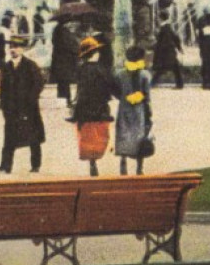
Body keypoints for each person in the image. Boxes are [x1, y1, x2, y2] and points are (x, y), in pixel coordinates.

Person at [71, 37, 122, 176]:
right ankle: (96, 157)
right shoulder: (103, 69)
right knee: (100, 136)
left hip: (85, 109)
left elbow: (80, 91)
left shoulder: (81, 70)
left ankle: (92, 161)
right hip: (101, 108)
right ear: (95, 54)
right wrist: (122, 96)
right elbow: (113, 86)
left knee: (88, 137)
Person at [0, 34, 45, 174]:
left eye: (16, 47)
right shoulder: (7, 67)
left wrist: (30, 100)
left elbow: (39, 84)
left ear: (23, 49)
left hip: (28, 109)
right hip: (12, 109)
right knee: (9, 138)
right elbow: (3, 88)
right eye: (11, 47)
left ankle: (36, 165)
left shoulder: (30, 66)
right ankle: (6, 165)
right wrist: (4, 106)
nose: (13, 50)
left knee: (33, 138)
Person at [114, 45, 155, 176]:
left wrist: (123, 97)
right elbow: (147, 96)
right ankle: (139, 167)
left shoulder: (120, 74)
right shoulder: (145, 75)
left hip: (124, 109)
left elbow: (116, 91)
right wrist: (149, 112)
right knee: (139, 136)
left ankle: (123, 162)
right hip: (139, 110)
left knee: (124, 134)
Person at [49, 6, 80, 107]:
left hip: (60, 60)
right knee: (65, 81)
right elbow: (69, 45)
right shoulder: (63, 31)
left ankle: (65, 99)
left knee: (63, 81)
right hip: (65, 60)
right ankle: (67, 100)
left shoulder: (57, 30)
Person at [152, 20, 184, 89]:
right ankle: (180, 84)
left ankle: (152, 83)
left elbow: (162, 41)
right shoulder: (168, 27)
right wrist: (179, 48)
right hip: (169, 51)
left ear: (160, 18)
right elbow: (176, 37)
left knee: (163, 69)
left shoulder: (165, 28)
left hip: (166, 52)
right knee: (173, 68)